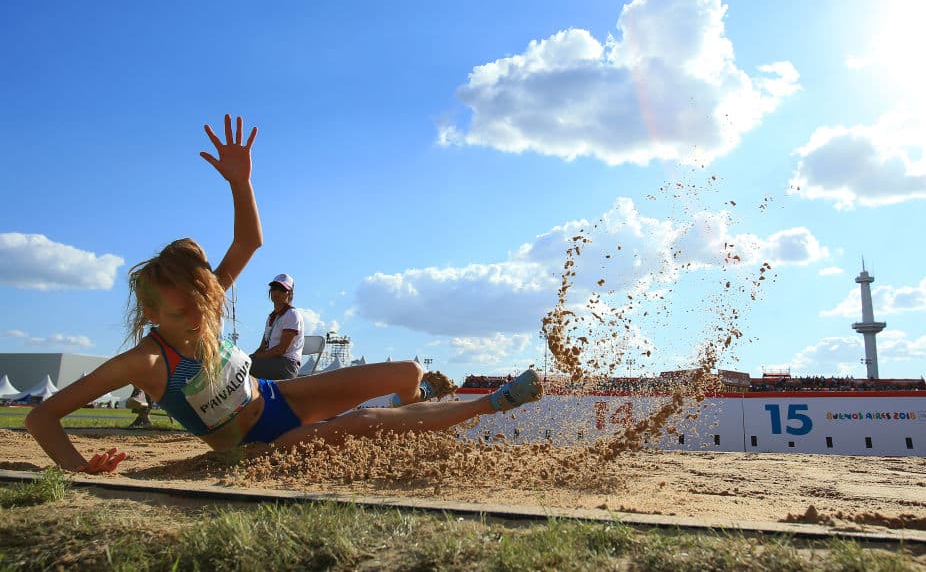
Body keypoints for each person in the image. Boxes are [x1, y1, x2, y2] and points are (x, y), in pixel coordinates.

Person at [25, 114, 543, 474]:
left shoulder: (201, 302)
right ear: (151, 311)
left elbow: (249, 240)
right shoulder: (141, 361)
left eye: (206, 303)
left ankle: (412, 436)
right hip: (252, 446)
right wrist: (78, 466)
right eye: (185, 312)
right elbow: (41, 415)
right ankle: (489, 406)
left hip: (281, 398)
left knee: (407, 372)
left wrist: (240, 182)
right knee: (365, 420)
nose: (203, 318)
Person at [249, 273, 304, 380]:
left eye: (282, 289)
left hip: (287, 365)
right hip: (272, 362)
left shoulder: (292, 314)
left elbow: (282, 349)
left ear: (290, 293)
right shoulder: (271, 317)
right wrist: (249, 359)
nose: (277, 292)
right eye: (274, 288)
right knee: (241, 366)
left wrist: (255, 359)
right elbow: (262, 348)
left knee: (245, 368)